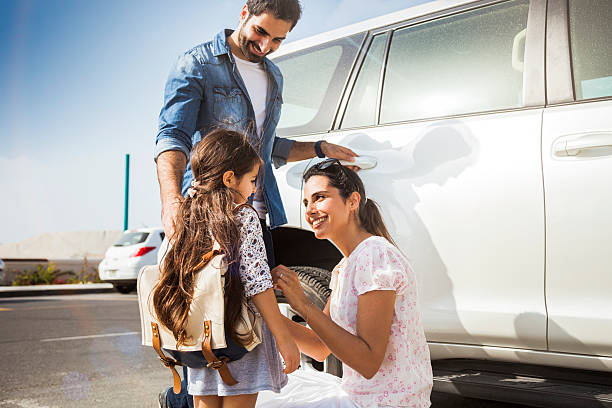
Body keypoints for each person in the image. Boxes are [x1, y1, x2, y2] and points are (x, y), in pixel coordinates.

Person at [155, 1, 356, 406]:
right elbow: (171, 136)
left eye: (279, 39)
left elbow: (264, 147)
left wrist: (316, 147)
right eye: (262, 33)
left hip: (256, 208)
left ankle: (190, 394)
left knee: (238, 307)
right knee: (212, 306)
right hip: (210, 209)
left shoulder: (272, 75)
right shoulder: (198, 63)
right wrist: (171, 201)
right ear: (245, 11)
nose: (267, 45)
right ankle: (180, 397)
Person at [268, 159, 433, 407]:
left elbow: (368, 362)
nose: (310, 210)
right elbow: (319, 346)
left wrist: (303, 304)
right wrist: (265, 312)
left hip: (386, 403)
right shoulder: (344, 267)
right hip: (359, 396)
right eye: (306, 202)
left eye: (320, 197)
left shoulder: (375, 254)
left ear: (353, 201)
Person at [154, 128, 300, 408]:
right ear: (230, 178)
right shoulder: (244, 215)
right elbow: (257, 283)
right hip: (240, 337)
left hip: (200, 336)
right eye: (252, 180)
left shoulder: (188, 214)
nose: (255, 189)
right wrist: (284, 338)